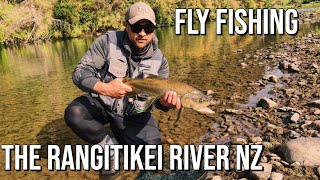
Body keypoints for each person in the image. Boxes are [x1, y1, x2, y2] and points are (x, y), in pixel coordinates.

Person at [64, 1, 181, 178]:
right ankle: (109, 149)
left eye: (148, 28)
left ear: (154, 29)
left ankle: (122, 136)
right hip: (102, 104)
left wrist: (166, 103)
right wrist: (105, 88)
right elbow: (80, 72)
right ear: (126, 25)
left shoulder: (160, 61)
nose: (142, 33)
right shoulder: (106, 42)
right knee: (74, 113)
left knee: (154, 160)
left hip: (136, 114)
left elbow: (158, 103)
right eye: (136, 27)